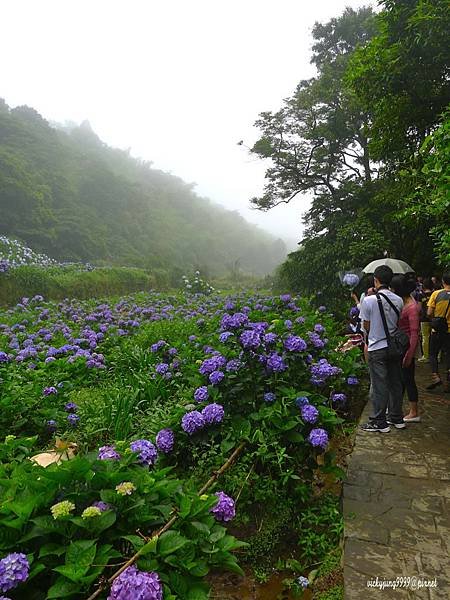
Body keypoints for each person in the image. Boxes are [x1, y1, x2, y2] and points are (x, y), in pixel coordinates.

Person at [359, 265, 405, 432]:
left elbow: (366, 325)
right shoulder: (398, 300)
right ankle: (397, 418)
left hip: (376, 347)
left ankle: (379, 421)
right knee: (395, 383)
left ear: (375, 280)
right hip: (393, 347)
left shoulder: (368, 300)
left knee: (379, 385)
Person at [391, 275, 421, 422]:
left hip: (407, 347)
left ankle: (414, 411)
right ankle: (397, 410)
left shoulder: (411, 307)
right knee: (401, 379)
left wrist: (409, 355)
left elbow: (414, 333)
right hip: (401, 346)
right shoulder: (403, 304)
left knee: (408, 379)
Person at [427, 272, 450, 392]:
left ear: (443, 282)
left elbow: (429, 313)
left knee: (432, 353)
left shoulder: (436, 294)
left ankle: (435, 376)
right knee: (448, 355)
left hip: (437, 330)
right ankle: (448, 382)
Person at [417, 278, 433, 362]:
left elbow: (419, 308)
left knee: (425, 337)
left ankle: (426, 356)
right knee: (434, 336)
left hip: (424, 318)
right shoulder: (435, 293)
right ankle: (437, 356)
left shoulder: (421, 295)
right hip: (434, 318)